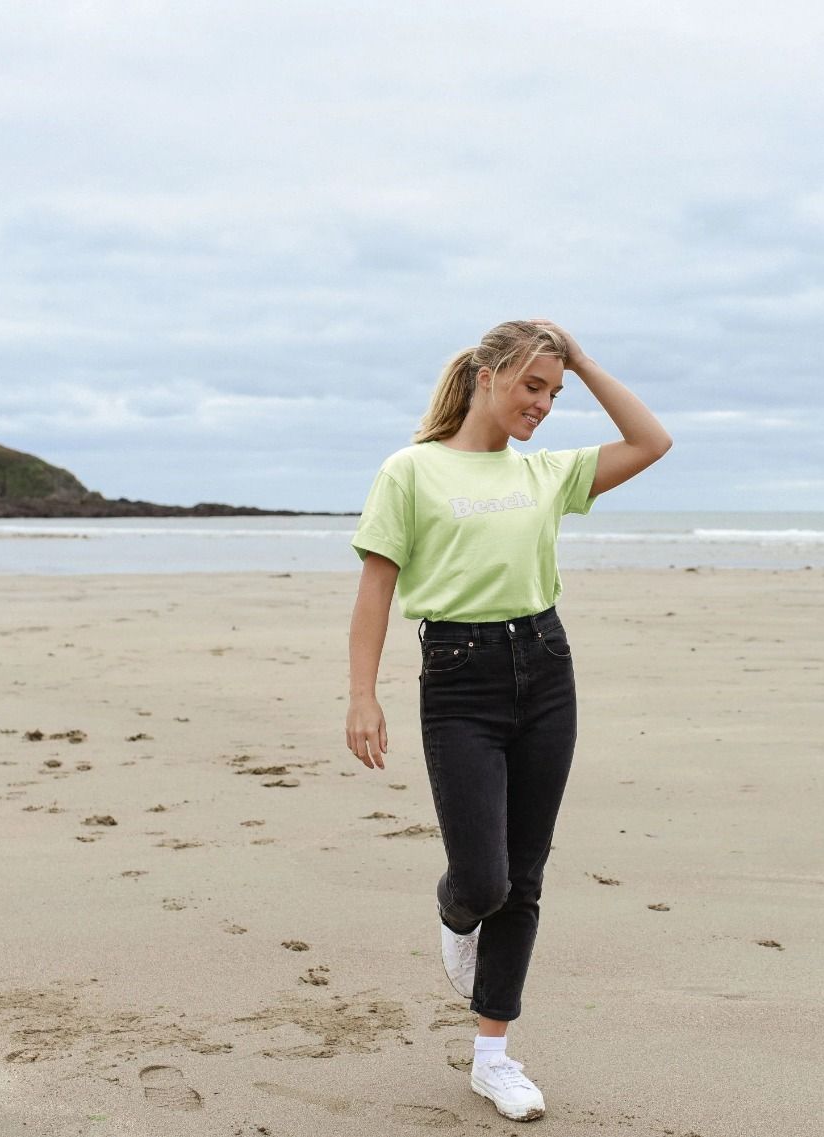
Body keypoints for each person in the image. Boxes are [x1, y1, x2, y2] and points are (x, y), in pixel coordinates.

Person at [345, 319, 671, 1122]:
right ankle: (456, 910)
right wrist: (362, 694)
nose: (545, 404)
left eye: (555, 392)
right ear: (486, 375)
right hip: (458, 679)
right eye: (533, 385)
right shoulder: (410, 470)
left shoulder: (548, 475)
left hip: (546, 667)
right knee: (483, 879)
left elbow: (652, 439)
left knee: (524, 876)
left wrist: (583, 360)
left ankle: (493, 1055)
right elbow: (377, 587)